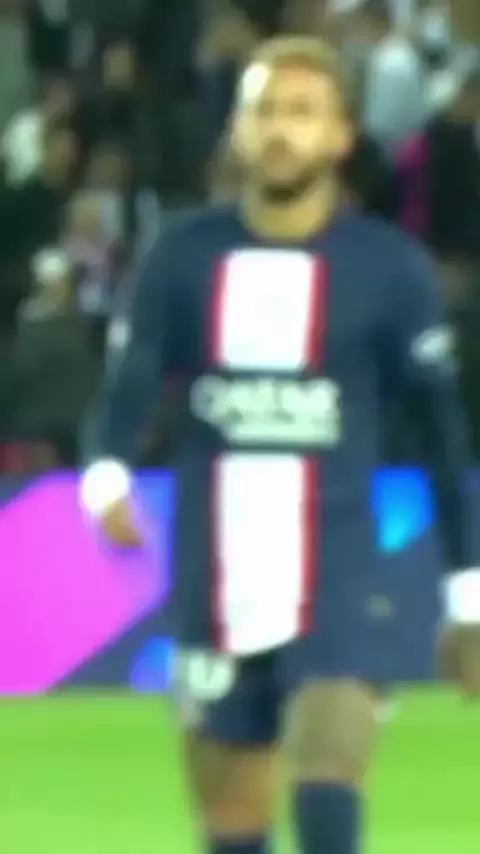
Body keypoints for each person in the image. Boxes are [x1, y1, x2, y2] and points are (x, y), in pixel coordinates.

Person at [81, 37, 480, 854]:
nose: (281, 130)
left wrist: (467, 596)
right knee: (235, 827)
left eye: (302, 112)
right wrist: (107, 476)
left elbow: (443, 433)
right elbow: (131, 381)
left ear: (340, 135)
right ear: (237, 129)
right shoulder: (183, 257)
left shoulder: (388, 268)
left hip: (338, 581)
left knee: (328, 772)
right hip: (214, 583)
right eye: (264, 110)